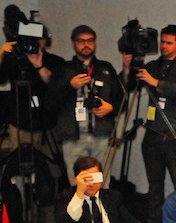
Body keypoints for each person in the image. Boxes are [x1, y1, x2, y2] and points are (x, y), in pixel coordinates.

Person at [139, 25, 176, 223]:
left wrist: (155, 82)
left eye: (169, 42)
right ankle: (154, 222)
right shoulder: (153, 65)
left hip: (174, 132)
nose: (164, 46)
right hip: (153, 131)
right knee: (155, 183)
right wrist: (129, 68)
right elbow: (132, 86)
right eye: (162, 42)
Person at [50, 25, 122, 184]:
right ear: (73, 44)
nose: (86, 44)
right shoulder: (63, 69)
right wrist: (70, 86)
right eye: (81, 41)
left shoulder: (106, 68)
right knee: (78, 185)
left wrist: (111, 108)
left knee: (101, 184)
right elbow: (51, 102)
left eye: (90, 40)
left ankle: (100, 209)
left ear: (95, 43)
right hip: (73, 137)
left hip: (101, 135)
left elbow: (121, 99)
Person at [0, 25, 64, 151]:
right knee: (22, 166)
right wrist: (0, 54)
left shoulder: (55, 61)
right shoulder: (14, 60)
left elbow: (55, 83)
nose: (35, 43)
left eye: (39, 39)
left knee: (51, 168)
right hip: (20, 123)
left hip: (48, 124)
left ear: (46, 40)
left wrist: (38, 66)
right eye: (30, 39)